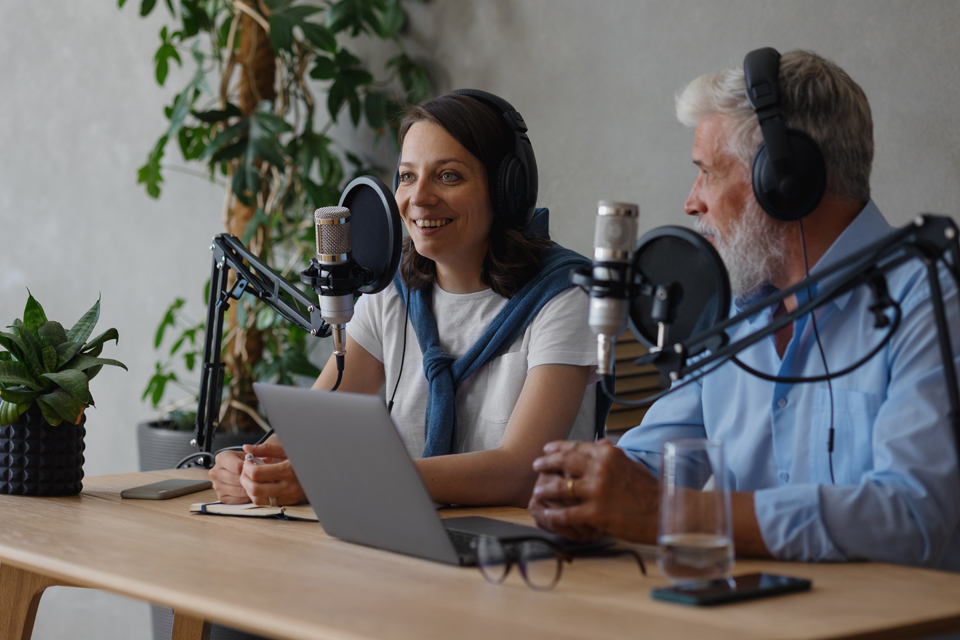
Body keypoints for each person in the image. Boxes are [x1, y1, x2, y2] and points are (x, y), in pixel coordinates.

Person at [529, 49, 960, 570]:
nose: (690, 202)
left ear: (783, 181)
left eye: (707, 173)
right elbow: (654, 462)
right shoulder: (730, 308)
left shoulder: (931, 297)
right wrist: (584, 489)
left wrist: (678, 515)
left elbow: (915, 516)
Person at [210, 90, 605, 509]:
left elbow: (520, 471)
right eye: (407, 176)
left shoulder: (565, 295)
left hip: (521, 552)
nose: (418, 198)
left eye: (448, 176)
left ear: (506, 189)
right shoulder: (391, 291)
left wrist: (341, 478)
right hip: (407, 534)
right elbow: (311, 435)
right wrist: (252, 464)